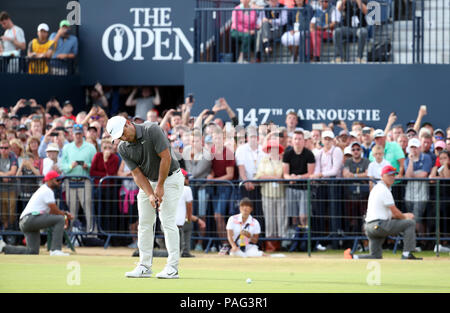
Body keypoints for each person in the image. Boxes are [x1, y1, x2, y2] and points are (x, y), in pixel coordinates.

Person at [107, 115, 184, 279]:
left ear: (128, 123)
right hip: (148, 181)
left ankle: (172, 267)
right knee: (144, 223)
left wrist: (160, 186)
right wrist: (150, 193)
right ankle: (144, 265)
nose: (123, 137)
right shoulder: (123, 147)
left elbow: (166, 158)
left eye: (123, 133)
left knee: (167, 221)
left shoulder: (152, 130)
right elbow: (136, 173)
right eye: (119, 136)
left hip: (170, 178)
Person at [344, 165, 422, 260]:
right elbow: (396, 213)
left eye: (393, 175)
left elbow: (389, 213)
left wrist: (404, 215)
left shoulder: (377, 188)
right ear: (382, 176)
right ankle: (407, 254)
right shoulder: (384, 189)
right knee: (410, 223)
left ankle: (353, 257)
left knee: (375, 256)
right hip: (379, 225)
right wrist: (406, 217)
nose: (392, 177)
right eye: (389, 175)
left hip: (369, 227)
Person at [0, 170, 73, 255]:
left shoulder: (44, 189)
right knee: (60, 219)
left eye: (60, 180)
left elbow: (51, 213)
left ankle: (4, 247)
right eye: (57, 180)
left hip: (26, 221)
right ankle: (55, 250)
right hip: (31, 219)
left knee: (32, 251)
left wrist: (63, 214)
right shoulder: (47, 190)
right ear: (49, 180)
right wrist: (65, 215)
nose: (59, 182)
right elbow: (54, 211)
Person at [60, 124, 96, 233]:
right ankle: (70, 234)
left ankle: (92, 233)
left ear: (83, 134)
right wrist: (71, 166)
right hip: (70, 181)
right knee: (72, 210)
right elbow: (63, 166)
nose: (78, 136)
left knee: (88, 207)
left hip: (85, 181)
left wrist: (87, 166)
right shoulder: (67, 148)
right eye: (76, 134)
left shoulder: (91, 147)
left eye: (80, 133)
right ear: (73, 134)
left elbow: (95, 165)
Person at [255, 139, 286, 252]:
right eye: (271, 148)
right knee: (269, 220)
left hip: (281, 194)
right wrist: (274, 178)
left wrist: (271, 177)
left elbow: (284, 177)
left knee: (281, 219)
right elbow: (259, 176)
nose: (273, 151)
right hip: (267, 193)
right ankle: (270, 245)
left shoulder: (283, 161)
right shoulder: (264, 161)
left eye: (275, 148)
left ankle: (282, 243)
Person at [283, 130, 315, 229]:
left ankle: (305, 239)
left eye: (299, 139)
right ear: (292, 140)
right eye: (295, 139)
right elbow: (285, 174)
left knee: (304, 216)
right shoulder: (287, 154)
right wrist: (290, 178)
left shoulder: (309, 154)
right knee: (294, 217)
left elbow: (310, 173)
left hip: (305, 189)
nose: (297, 141)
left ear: (303, 141)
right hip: (291, 189)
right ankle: (295, 239)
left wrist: (298, 177)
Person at [404, 138, 432, 238]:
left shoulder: (426, 158)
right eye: (412, 147)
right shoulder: (407, 160)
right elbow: (408, 175)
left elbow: (424, 174)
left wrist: (413, 176)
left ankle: (420, 240)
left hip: (421, 195)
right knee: (411, 218)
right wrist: (411, 161)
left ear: (420, 148)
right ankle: (414, 239)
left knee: (417, 219)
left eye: (415, 147)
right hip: (409, 195)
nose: (414, 150)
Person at [176, 169, 206, 258]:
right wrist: (189, 220)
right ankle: (185, 251)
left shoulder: (168, 188)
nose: (188, 180)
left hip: (168, 221)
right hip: (181, 222)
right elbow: (189, 209)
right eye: (186, 178)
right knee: (188, 225)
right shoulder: (187, 189)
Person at [342, 141, 369, 234]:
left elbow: (368, 174)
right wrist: (360, 175)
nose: (356, 151)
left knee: (364, 217)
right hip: (351, 195)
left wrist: (354, 176)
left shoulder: (366, 161)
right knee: (352, 219)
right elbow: (345, 174)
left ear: (361, 150)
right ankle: (353, 239)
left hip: (364, 195)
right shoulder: (348, 161)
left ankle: (363, 240)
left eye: (358, 149)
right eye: (353, 150)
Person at [0, 139, 18, 230]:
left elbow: (14, 171)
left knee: (12, 208)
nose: (4, 150)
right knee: (3, 209)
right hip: (1, 188)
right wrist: (4, 176)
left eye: (6, 148)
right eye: (1, 148)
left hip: (11, 188)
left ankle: (10, 227)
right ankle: (5, 227)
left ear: (9, 148)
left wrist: (3, 175)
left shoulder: (12, 156)